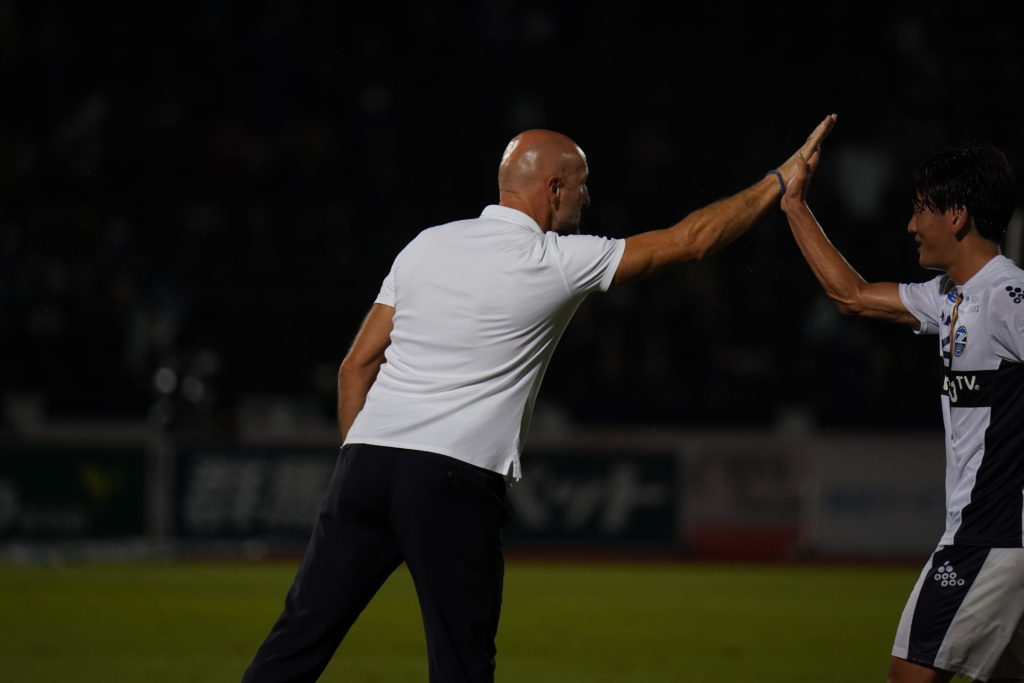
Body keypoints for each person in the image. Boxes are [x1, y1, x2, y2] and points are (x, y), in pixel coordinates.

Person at [240, 114, 838, 683]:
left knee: (299, 638)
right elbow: (692, 242)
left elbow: (355, 367)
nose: (587, 197)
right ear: (553, 188)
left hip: (365, 464)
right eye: (582, 184)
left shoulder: (425, 245)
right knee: (462, 662)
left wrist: (361, 458)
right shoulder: (555, 260)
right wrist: (778, 180)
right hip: (451, 478)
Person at [780, 131, 1024, 683]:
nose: (911, 226)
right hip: (1003, 541)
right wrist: (795, 206)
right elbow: (853, 296)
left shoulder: (1006, 299)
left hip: (990, 536)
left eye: (920, 210)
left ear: (957, 216)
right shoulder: (952, 297)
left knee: (908, 675)